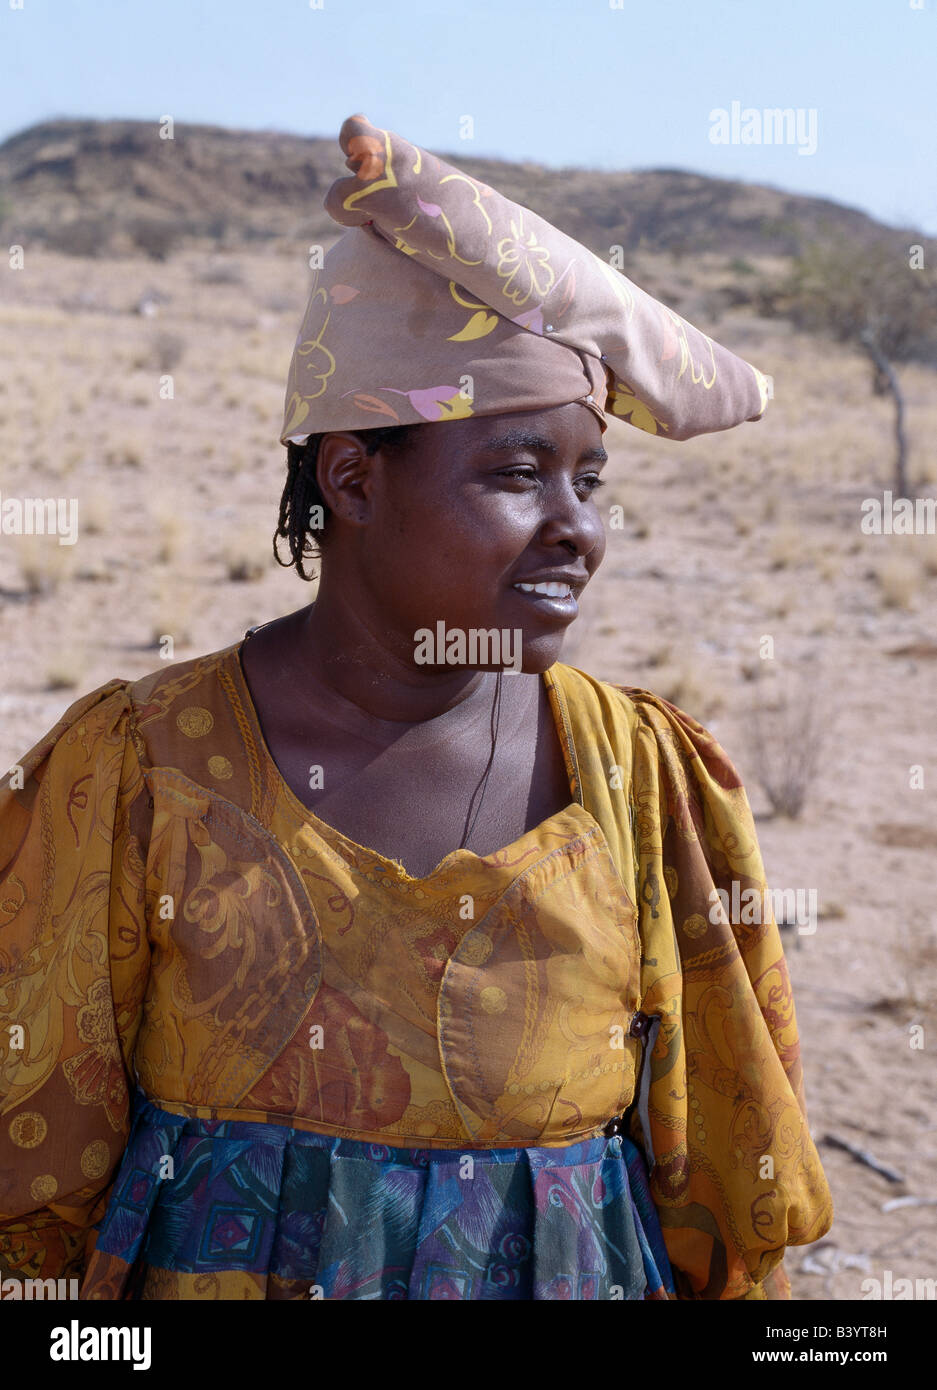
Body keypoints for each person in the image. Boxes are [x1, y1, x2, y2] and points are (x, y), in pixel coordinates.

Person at [0, 114, 832, 1301]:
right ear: (351, 477)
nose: (578, 529)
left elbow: (726, 1207)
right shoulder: (136, 771)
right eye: (515, 473)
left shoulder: (643, 778)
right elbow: (31, 1194)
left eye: (588, 479)